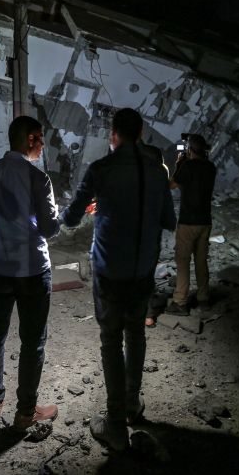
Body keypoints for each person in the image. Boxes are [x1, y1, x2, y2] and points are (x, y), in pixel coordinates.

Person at [61, 108, 176, 451]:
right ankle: (132, 405)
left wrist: (103, 205)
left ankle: (114, 424)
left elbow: (69, 218)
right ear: (140, 133)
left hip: (111, 272)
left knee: (111, 341)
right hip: (143, 271)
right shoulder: (157, 172)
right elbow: (169, 220)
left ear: (114, 134)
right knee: (136, 335)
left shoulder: (102, 169)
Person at [0, 116, 61, 429]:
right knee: (33, 340)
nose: (41, 144)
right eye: (39, 138)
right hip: (33, 271)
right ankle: (25, 412)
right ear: (30, 140)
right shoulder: (38, 179)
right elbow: (49, 228)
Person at [166, 134, 217, 315]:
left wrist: (178, 165)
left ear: (189, 149)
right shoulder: (211, 168)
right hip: (205, 221)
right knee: (201, 261)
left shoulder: (186, 166)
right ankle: (204, 300)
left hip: (188, 221)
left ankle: (180, 301)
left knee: (183, 260)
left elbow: (171, 185)